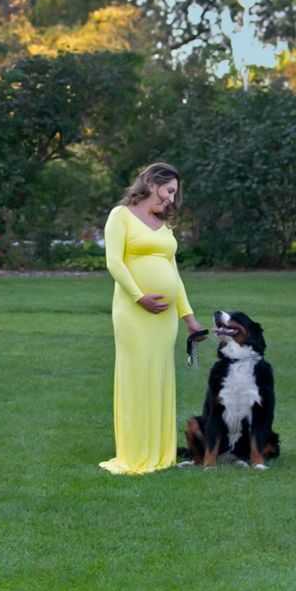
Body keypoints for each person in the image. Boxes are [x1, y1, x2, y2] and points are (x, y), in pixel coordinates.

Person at [100, 162, 204, 474]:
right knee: (137, 376)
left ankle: (160, 452)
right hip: (133, 313)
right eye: (169, 190)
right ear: (152, 183)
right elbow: (114, 263)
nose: (172, 198)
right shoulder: (121, 216)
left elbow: (174, 274)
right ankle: (134, 452)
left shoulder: (165, 226)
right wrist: (139, 296)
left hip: (164, 320)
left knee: (160, 377)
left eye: (175, 193)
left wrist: (189, 318)